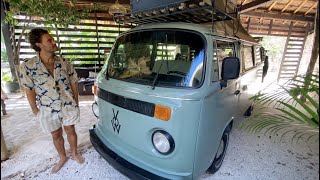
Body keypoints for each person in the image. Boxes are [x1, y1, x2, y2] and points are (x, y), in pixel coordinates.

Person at [19, 28, 84, 173]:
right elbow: (29, 89)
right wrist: (35, 109)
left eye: (52, 39)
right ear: (39, 45)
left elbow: (74, 82)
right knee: (56, 134)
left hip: (67, 104)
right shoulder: (28, 66)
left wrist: (76, 102)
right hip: (47, 108)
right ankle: (62, 157)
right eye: (49, 40)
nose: (54, 42)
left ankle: (74, 153)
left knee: (71, 130)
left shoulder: (64, 62)